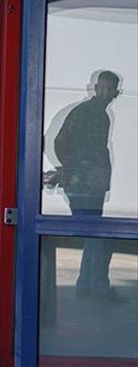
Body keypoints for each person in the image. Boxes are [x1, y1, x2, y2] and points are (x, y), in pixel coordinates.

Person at [49, 70, 122, 299]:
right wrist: (72, 169)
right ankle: (94, 287)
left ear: (115, 93)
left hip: (91, 184)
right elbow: (59, 141)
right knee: (96, 236)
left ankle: (89, 286)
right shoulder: (87, 112)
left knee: (94, 237)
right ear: (94, 88)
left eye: (109, 89)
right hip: (84, 185)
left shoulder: (102, 115)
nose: (104, 92)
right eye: (101, 87)